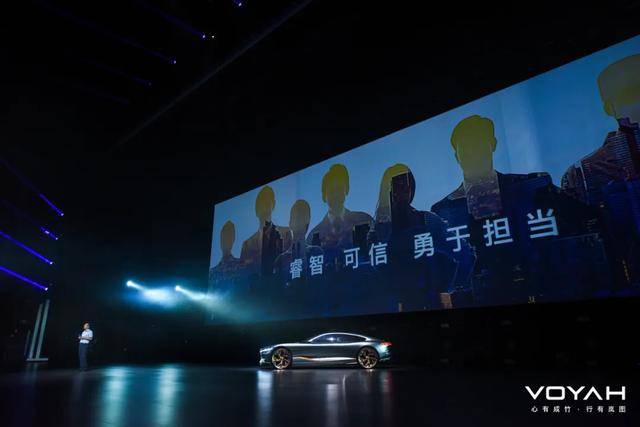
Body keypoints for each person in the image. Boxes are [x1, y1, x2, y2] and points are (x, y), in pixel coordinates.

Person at [306, 164, 373, 262]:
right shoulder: (313, 235)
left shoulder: (364, 220)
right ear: (324, 196)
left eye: (339, 189)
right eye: (332, 190)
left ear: (346, 190)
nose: (336, 194)